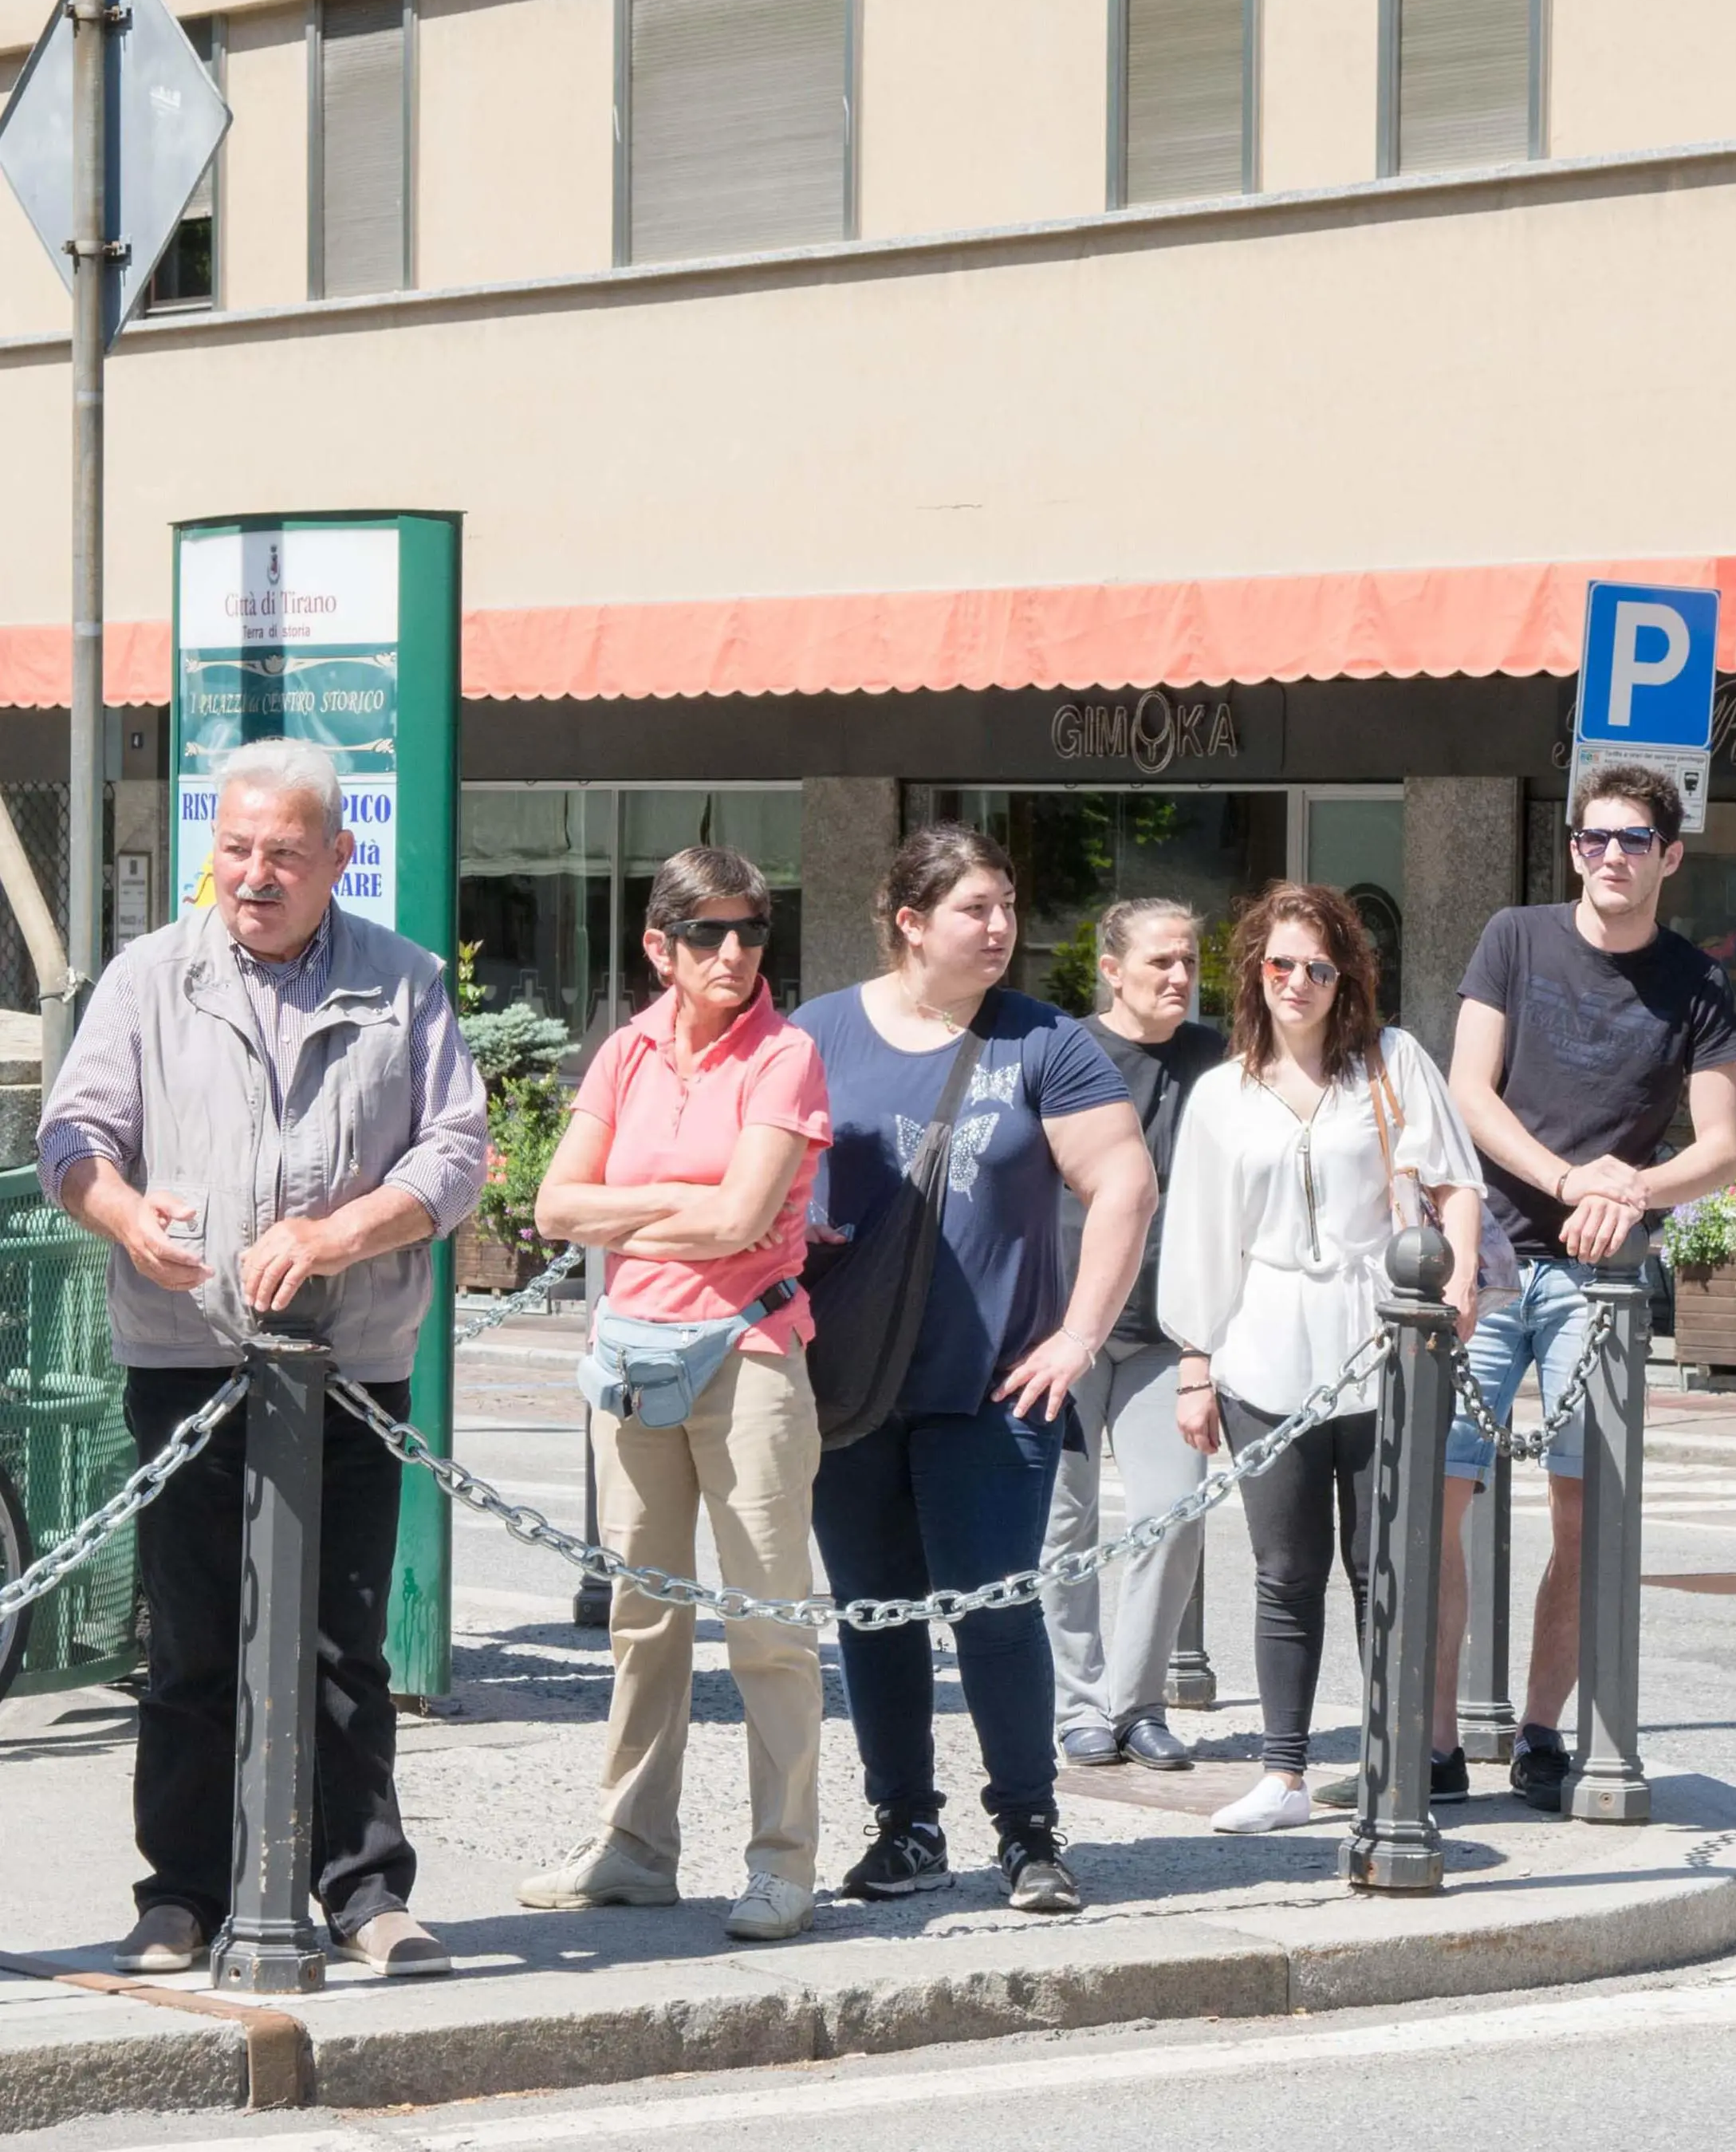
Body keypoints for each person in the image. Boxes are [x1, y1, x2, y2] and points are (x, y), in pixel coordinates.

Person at [37, 739, 487, 1979]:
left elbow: (456, 1156)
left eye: (284, 853)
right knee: (188, 1640)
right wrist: (125, 1214)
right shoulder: (147, 980)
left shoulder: (406, 984)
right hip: (189, 1358)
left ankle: (363, 1892)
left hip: (353, 1366)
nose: (254, 874)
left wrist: (342, 1230)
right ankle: (179, 1894)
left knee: (345, 1642)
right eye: (234, 849)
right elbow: (72, 1134)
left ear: (340, 857)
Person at [793, 824, 1157, 1914]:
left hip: (998, 1385)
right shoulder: (815, 1036)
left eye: (1006, 906)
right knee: (875, 1612)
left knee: (995, 1608)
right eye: (975, 910)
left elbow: (1124, 1185)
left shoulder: (1044, 1041)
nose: (1001, 928)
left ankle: (1029, 1831)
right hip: (849, 1382)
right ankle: (904, 1825)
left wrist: (1078, 1336)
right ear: (909, 922)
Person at [518, 848, 832, 1942]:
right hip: (635, 1355)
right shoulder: (625, 1051)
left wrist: (627, 1208)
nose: (735, 953)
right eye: (709, 934)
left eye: (751, 932)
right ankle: (635, 1849)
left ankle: (783, 1861)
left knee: (768, 1626)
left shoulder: (784, 1056)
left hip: (748, 1355)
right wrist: (672, 1202)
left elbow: (742, 1221)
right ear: (660, 946)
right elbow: (555, 1206)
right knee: (643, 1619)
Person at [1427, 762, 1736, 1811]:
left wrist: (1631, 1188)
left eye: (1634, 840)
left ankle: (1538, 1733)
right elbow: (1468, 1093)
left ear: (1670, 855)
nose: (1612, 855)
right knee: (1438, 1498)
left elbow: (1721, 1149)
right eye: (1595, 838)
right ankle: (1430, 1739)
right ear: (1574, 847)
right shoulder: (1514, 938)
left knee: (1583, 1515)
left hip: (1598, 1280)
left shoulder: (1695, 983)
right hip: (1487, 1253)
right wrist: (1569, 1177)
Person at [1159, 883, 1482, 1834]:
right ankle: (1284, 1771)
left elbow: (1455, 1184)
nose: (1296, 982)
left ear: (1348, 979)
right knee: (1283, 1570)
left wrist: (1455, 1289)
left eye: (1317, 967)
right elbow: (1201, 1238)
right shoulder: (1221, 1094)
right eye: (1278, 965)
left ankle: (1393, 1765)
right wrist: (1195, 1360)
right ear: (1254, 973)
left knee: (1384, 1565)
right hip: (1264, 1343)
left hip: (1379, 1337)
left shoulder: (1390, 1064)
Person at [1039, 899, 1224, 1772]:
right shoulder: (1061, 1050)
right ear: (1110, 968)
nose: (1179, 978)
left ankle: (1137, 1703)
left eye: (1188, 961)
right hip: (1063, 1327)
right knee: (1060, 1525)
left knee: (1172, 1513)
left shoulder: (1215, 1059)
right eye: (1160, 963)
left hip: (1166, 1333)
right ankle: (1076, 1705)